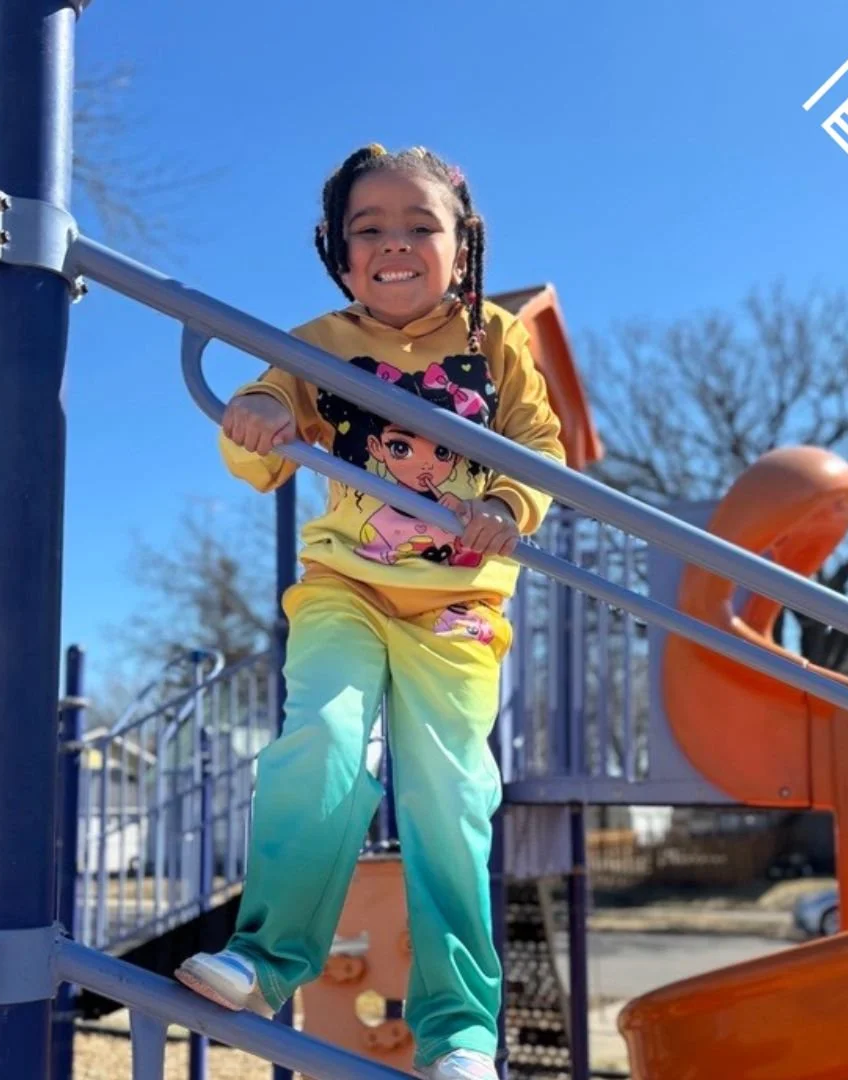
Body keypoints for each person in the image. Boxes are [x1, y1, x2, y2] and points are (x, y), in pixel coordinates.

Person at [175, 144, 564, 1080]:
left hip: (457, 604)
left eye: (420, 225)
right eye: (370, 229)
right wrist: (257, 419)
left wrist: (505, 507)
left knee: (449, 795)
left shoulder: (496, 342)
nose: (395, 243)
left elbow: (536, 446)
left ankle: (460, 1031)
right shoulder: (315, 343)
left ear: (462, 247)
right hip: (348, 586)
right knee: (324, 743)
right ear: (339, 254)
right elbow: (264, 421)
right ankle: (267, 961)